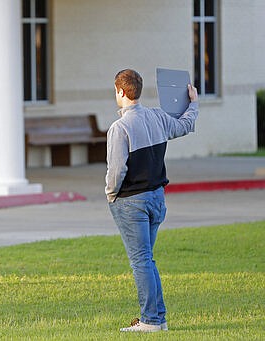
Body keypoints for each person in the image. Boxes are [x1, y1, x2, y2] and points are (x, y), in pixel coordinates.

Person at [105, 69, 198, 332]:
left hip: (131, 202)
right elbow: (186, 125)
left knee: (141, 261)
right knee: (147, 260)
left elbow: (116, 171)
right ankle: (157, 318)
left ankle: (151, 321)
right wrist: (194, 103)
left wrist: (110, 194)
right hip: (157, 199)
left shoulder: (119, 128)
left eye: (115, 91)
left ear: (121, 91)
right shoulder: (158, 117)